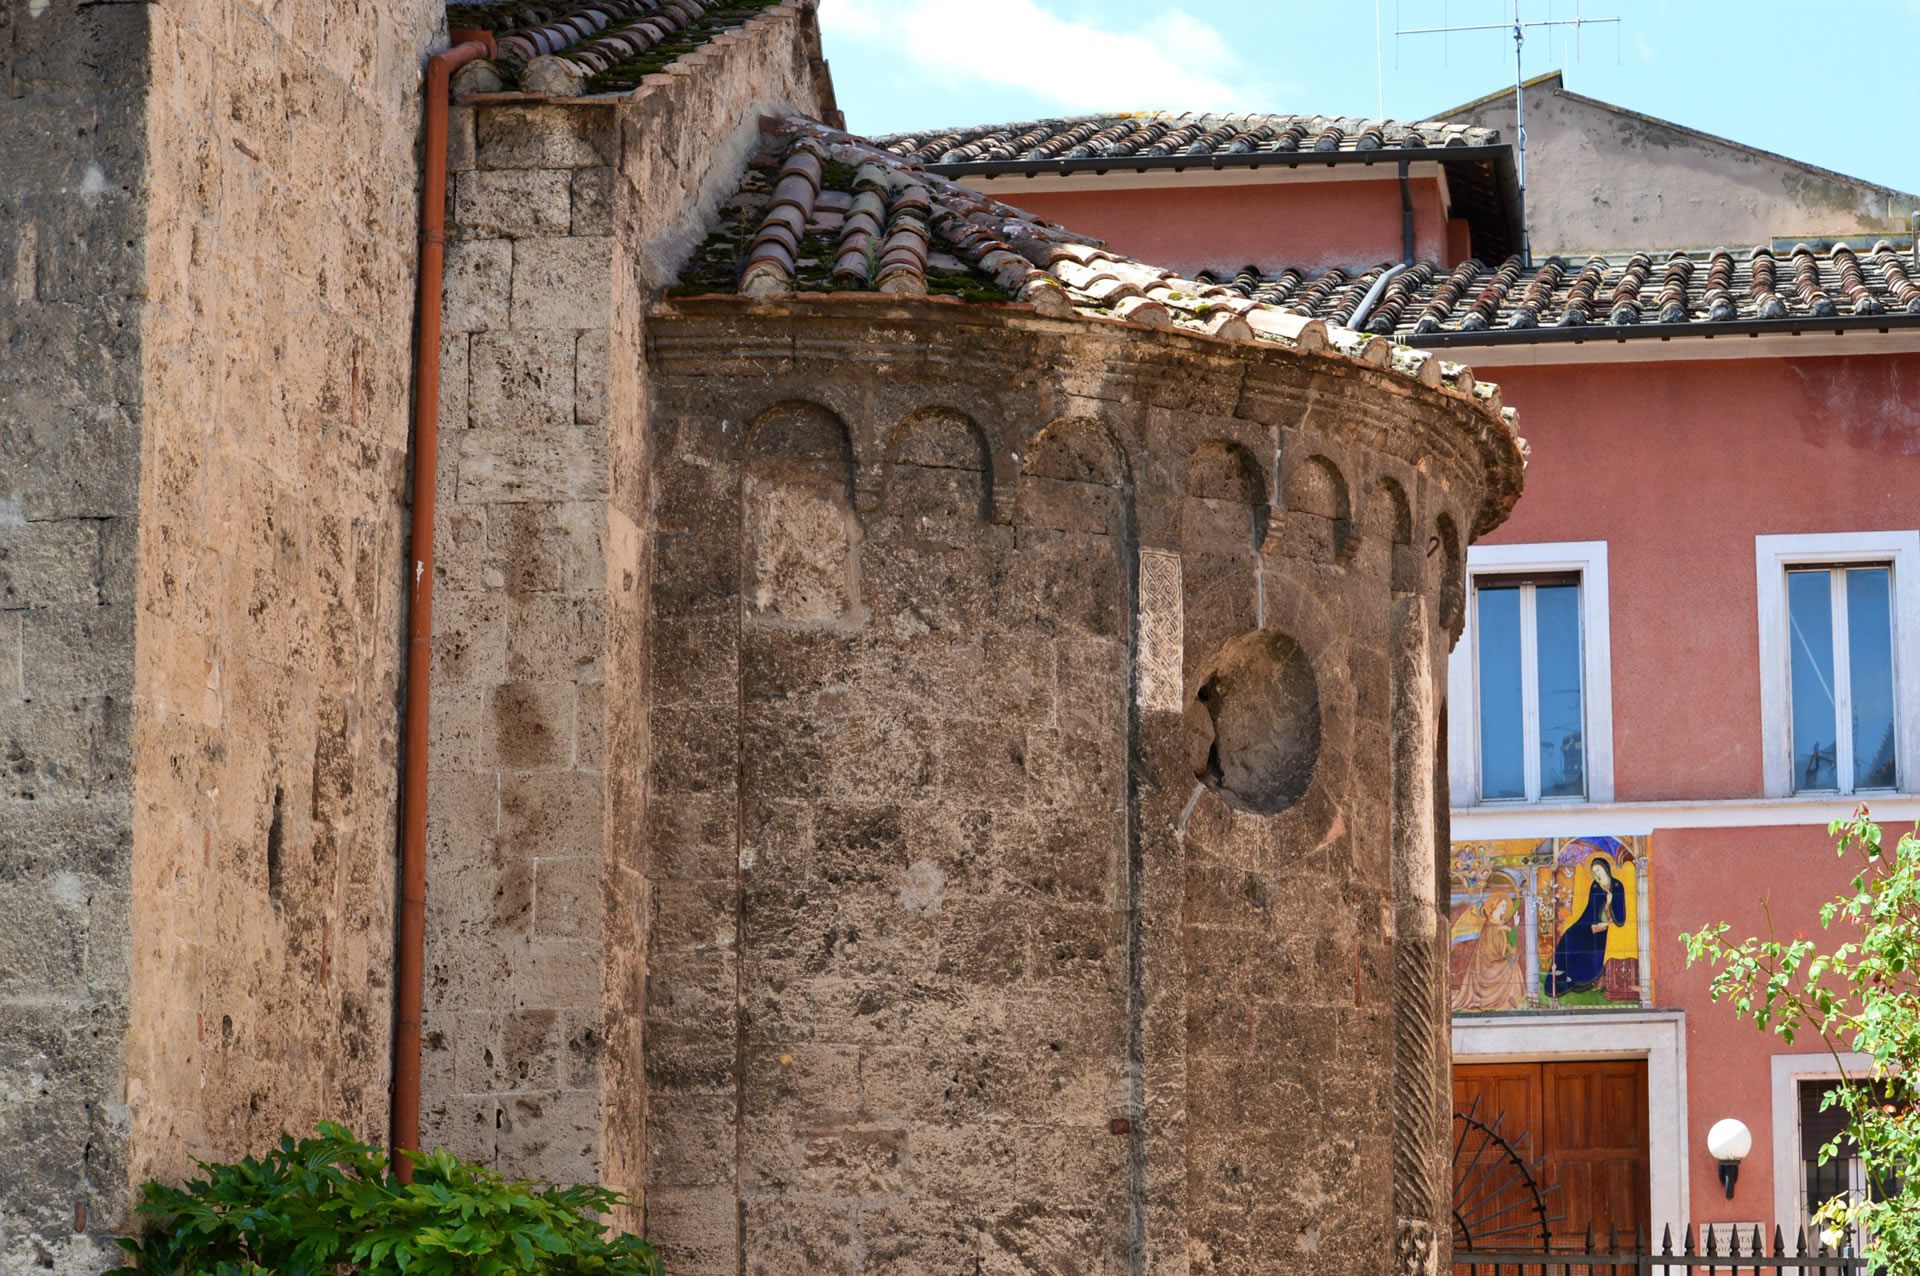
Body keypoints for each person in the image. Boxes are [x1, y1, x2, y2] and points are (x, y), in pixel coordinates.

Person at [1544, 856, 1625, 998]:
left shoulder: (1617, 886)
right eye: (1595, 872)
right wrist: (1590, 925)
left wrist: (1608, 904)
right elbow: (1590, 909)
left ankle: (1574, 977)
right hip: (1591, 923)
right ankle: (1559, 971)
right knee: (1570, 934)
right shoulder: (1595, 885)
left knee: (1589, 948)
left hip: (1606, 928)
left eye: (1599, 870)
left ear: (1606, 868)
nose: (1598, 874)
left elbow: (1620, 918)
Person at [1453, 891, 1525, 1013]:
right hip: (1487, 966)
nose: (1505, 908)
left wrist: (1514, 927)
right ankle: (1504, 999)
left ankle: (1509, 998)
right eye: (1502, 905)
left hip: (1495, 961)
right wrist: (1503, 929)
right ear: (1494, 907)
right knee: (1512, 965)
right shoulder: (1489, 925)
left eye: (1505, 906)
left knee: (1513, 963)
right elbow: (1489, 951)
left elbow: (1509, 944)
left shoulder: (1500, 922)